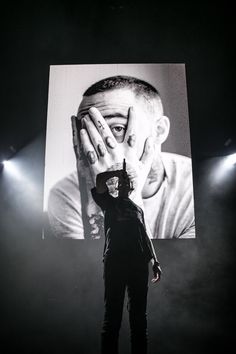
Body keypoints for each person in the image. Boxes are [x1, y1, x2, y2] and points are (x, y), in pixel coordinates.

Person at [47, 75, 195, 239]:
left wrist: (125, 197)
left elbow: (150, 264)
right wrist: (91, 193)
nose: (98, 143)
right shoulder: (64, 195)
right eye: (87, 131)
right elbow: (92, 264)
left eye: (117, 128)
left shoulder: (195, 186)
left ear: (159, 130)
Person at [91, 159, 162, 354]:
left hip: (138, 264)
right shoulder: (109, 203)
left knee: (139, 318)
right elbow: (99, 180)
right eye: (119, 183)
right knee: (112, 316)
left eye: (126, 182)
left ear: (130, 187)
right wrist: (115, 174)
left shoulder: (138, 209)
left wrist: (154, 260)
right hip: (115, 262)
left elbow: (145, 235)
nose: (122, 185)